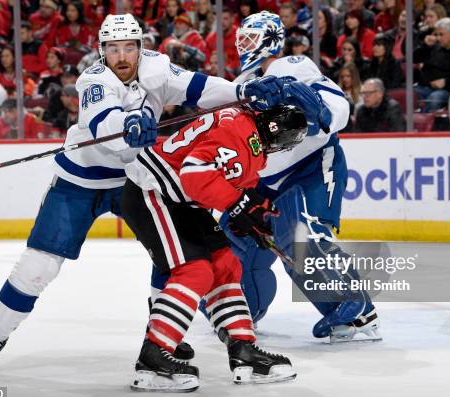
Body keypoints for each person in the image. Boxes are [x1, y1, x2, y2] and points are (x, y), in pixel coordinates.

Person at [0, 12, 288, 376]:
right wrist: (127, 123)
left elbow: (200, 89)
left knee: (175, 257)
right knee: (38, 265)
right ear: (102, 51)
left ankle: (163, 336)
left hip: (138, 179)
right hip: (80, 182)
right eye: (113, 48)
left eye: (128, 47)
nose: (121, 56)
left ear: (140, 48)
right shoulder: (93, 79)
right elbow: (103, 119)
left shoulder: (158, 68)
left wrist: (241, 91)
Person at [152, 11, 379, 343]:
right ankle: (242, 310)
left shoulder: (292, 66)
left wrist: (320, 112)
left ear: (271, 39)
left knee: (302, 237)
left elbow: (335, 106)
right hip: (262, 180)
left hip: (309, 168)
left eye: (251, 37)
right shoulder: (244, 81)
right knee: (231, 249)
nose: (244, 44)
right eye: (241, 38)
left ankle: (357, 311)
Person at [122, 105, 305, 391]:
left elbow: (231, 183)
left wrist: (250, 212)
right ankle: (153, 357)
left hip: (181, 198)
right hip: (154, 192)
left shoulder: (244, 125)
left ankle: (243, 350)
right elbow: (194, 174)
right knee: (195, 272)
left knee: (225, 267)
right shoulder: (242, 135)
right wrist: (237, 204)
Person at [414, 18, 450, 112]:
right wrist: (424, 45)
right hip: (424, 87)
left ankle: (424, 124)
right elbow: (414, 59)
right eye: (436, 34)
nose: (437, 38)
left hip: (448, 90)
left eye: (441, 35)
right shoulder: (432, 48)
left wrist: (446, 81)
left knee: (434, 98)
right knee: (407, 94)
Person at [205, 8, 239, 73]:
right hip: (214, 73)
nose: (222, 22)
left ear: (232, 19)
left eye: (225, 19)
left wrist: (225, 69)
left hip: (234, 72)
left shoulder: (240, 36)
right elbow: (206, 61)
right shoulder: (210, 39)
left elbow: (239, 61)